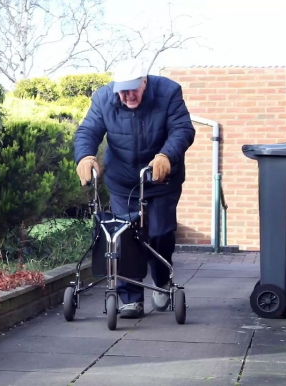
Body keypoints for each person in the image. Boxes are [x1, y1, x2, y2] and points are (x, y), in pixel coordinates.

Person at [73, 58, 195, 319]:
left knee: (160, 233)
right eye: (122, 90)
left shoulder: (168, 92)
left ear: (144, 81)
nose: (128, 95)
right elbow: (88, 130)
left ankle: (161, 280)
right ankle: (130, 299)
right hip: (123, 181)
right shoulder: (104, 98)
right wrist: (84, 156)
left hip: (161, 179)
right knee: (125, 237)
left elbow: (182, 129)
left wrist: (166, 155)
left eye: (133, 89)